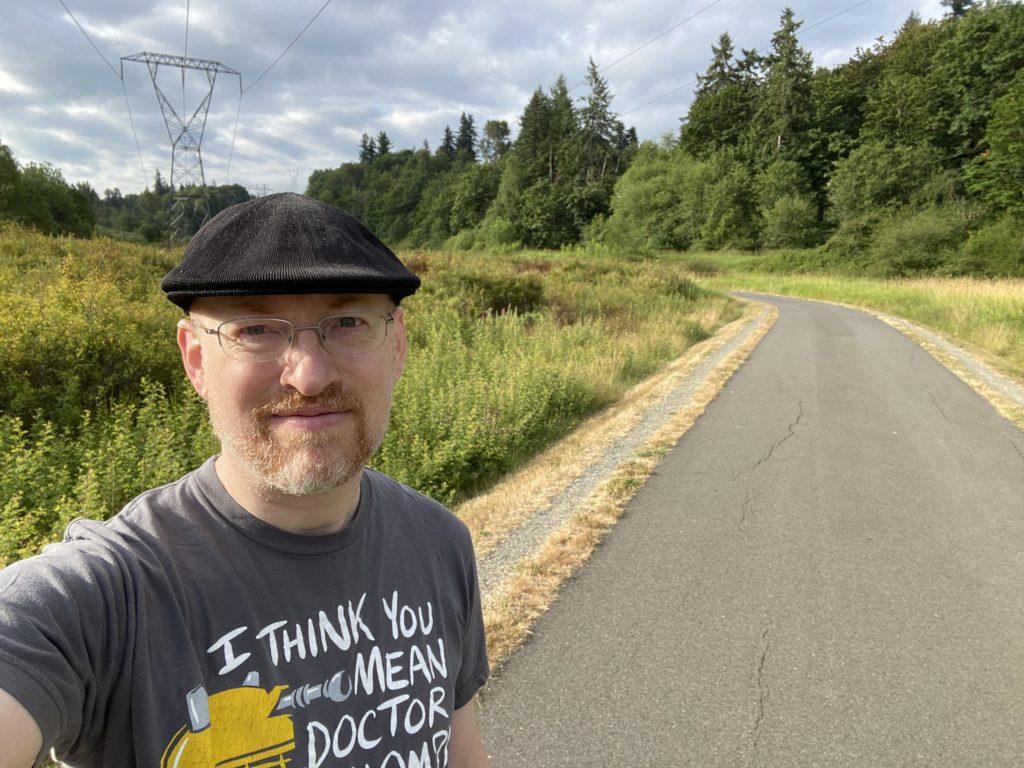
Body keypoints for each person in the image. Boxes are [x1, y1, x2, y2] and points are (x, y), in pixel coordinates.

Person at [0, 193, 491, 768]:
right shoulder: (105, 596)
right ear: (196, 361)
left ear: (398, 344)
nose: (308, 377)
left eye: (349, 321)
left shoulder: (440, 544)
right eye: (255, 329)